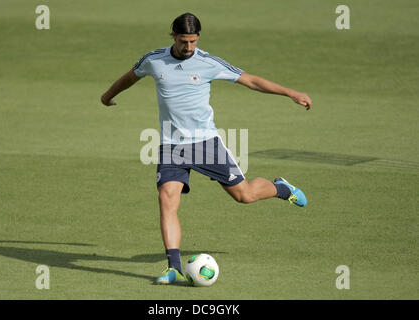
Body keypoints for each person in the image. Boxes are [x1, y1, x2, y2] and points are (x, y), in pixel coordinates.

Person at [101, 13, 312, 284]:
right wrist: (108, 96)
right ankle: (173, 268)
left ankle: (282, 188)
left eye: (193, 41)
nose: (189, 47)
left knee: (244, 195)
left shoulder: (208, 62)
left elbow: (250, 80)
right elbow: (130, 77)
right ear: (173, 36)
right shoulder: (154, 60)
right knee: (167, 200)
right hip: (171, 146)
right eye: (183, 41)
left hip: (205, 143)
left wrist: (290, 93)